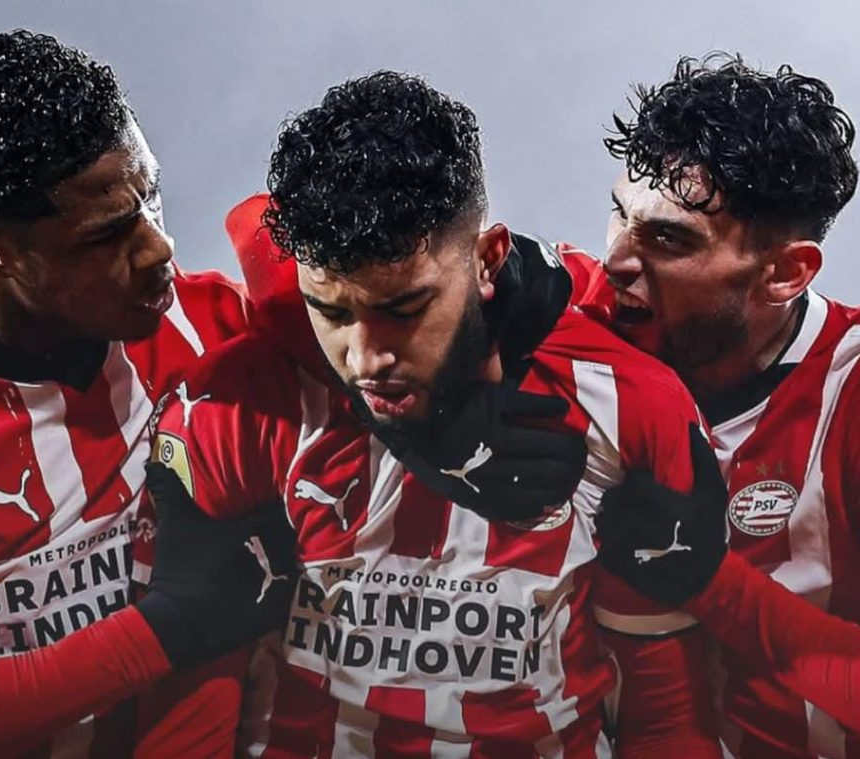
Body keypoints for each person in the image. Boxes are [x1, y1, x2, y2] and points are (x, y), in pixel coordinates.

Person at [135, 70, 724, 757]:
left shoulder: (622, 397)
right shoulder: (235, 404)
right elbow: (189, 701)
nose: (366, 358)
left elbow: (665, 711)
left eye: (406, 309)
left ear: (490, 260)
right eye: (330, 313)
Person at [0, 30, 297, 756]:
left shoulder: (211, 324)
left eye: (152, 196)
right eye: (106, 235)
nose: (159, 246)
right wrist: (163, 631)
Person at [590, 54, 860, 755]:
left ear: (786, 273)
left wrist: (710, 580)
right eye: (620, 215)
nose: (618, 260)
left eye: (668, 238)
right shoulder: (593, 332)